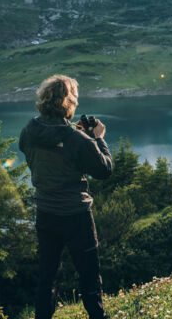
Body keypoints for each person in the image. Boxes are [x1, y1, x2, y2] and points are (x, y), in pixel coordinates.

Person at [19, 74, 113, 319]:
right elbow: (104, 170)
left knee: (47, 276)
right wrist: (98, 139)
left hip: (46, 214)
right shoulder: (76, 140)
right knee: (90, 278)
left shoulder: (29, 129)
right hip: (76, 216)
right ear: (67, 102)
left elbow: (39, 147)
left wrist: (75, 134)